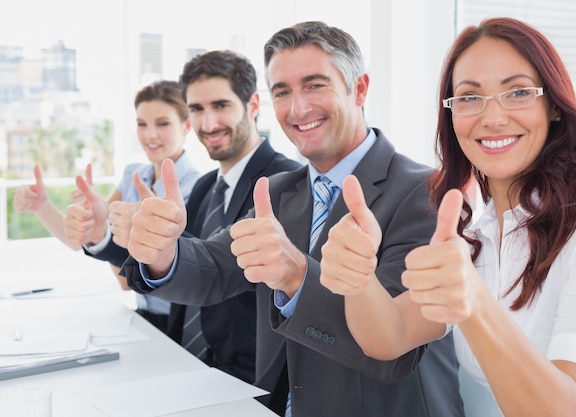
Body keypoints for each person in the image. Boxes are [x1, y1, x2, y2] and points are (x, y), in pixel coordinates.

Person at [121, 21, 464, 417]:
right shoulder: (282, 190)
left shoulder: (425, 192)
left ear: (360, 89)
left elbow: (391, 346)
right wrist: (163, 253)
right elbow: (216, 266)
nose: (298, 109)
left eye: (315, 85)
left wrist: (297, 275)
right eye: (282, 92)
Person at [320, 17, 576, 417]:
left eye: (517, 92)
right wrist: (358, 277)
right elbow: (388, 335)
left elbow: (566, 410)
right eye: (469, 97)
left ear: (553, 105)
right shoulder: (478, 234)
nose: (493, 117)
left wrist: (475, 303)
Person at [66, 50, 301, 383]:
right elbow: (180, 263)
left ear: (252, 106)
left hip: (246, 379)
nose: (208, 124)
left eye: (220, 105)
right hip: (183, 361)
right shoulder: (207, 186)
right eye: (197, 109)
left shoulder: (287, 183)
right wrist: (103, 234)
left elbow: (217, 268)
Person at [63, 80, 201, 332]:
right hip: (141, 314)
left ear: (187, 126)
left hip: (177, 322)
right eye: (141, 124)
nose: (150, 135)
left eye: (163, 123)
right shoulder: (132, 175)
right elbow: (92, 237)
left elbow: (128, 278)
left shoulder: (198, 187)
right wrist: (91, 219)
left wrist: (110, 230)